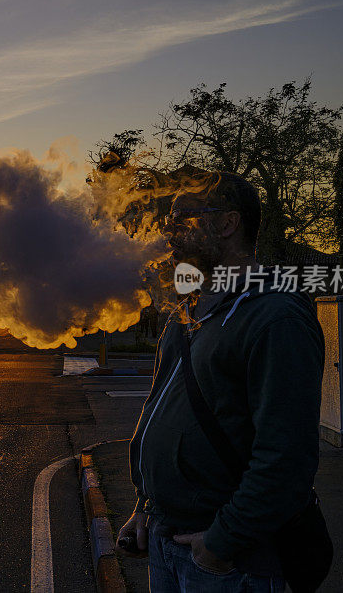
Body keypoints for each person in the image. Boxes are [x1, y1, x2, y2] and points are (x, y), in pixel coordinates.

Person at [116, 172, 325, 592]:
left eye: (182, 219)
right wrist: (146, 504)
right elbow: (157, 407)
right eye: (167, 220)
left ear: (228, 224)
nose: (167, 231)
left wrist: (220, 542)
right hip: (165, 535)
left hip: (227, 559)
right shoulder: (188, 309)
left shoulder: (275, 317)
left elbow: (286, 457)